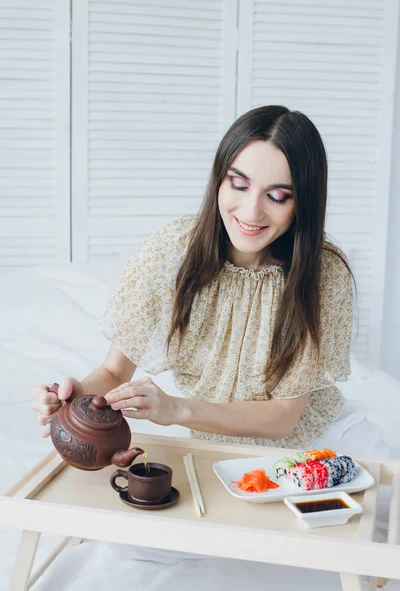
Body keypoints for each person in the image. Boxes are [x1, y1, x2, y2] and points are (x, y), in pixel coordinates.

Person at [31, 105, 393, 538]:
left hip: (321, 436)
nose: (251, 211)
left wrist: (177, 408)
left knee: (387, 512)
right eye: (238, 184)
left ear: (304, 202)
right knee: (135, 546)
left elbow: (283, 418)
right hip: (214, 444)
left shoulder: (325, 273)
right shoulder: (171, 251)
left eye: (278, 195)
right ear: (219, 178)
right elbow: (113, 372)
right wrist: (71, 396)